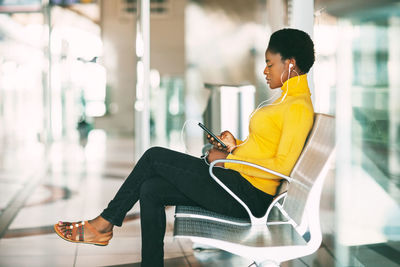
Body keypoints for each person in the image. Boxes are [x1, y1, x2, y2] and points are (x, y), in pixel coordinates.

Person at [54, 28, 315, 267]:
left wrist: (227, 160)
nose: (265, 70)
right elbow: (265, 149)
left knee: (154, 156)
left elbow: (283, 167)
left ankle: (104, 224)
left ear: (290, 63)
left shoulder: (297, 107)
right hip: (239, 184)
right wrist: (234, 145)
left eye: (270, 63)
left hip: (248, 197)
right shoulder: (287, 100)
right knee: (151, 189)